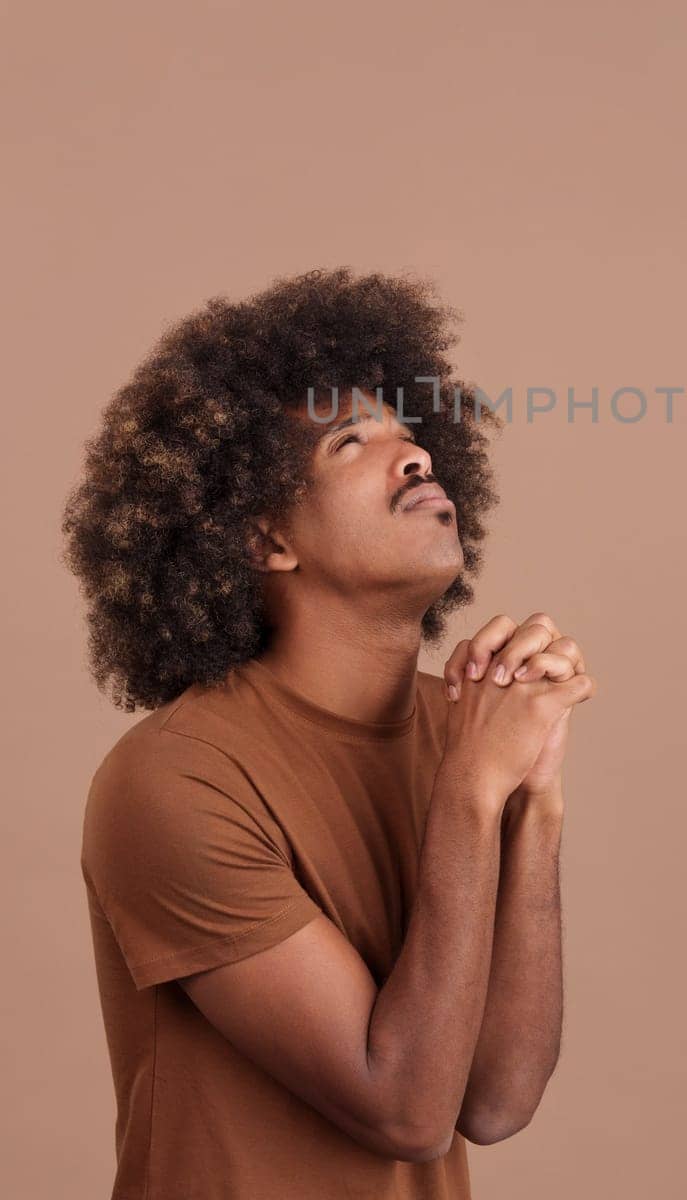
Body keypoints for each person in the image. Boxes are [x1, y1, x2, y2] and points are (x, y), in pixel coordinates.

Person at [62, 266, 598, 1200]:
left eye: (412, 436)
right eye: (353, 442)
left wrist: (536, 798)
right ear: (267, 540)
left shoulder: (461, 727)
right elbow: (402, 1108)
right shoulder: (175, 780)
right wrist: (476, 792)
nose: (417, 458)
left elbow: (499, 1099)